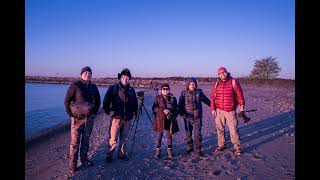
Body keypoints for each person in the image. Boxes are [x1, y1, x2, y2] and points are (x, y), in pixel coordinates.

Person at [64, 66, 101, 175]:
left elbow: (98, 101)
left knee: (86, 140)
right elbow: (67, 101)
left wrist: (94, 113)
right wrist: (70, 114)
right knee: (75, 143)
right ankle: (72, 165)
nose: (87, 75)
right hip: (77, 119)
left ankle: (84, 160)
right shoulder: (75, 85)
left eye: (89, 73)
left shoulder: (94, 87)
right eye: (85, 73)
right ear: (81, 74)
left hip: (89, 119)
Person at [103, 68, 138, 162]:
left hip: (127, 119)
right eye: (123, 77)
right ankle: (109, 155)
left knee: (124, 138)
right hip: (116, 118)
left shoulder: (131, 90)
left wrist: (135, 112)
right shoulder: (113, 88)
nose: (125, 79)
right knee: (113, 138)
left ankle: (121, 154)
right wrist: (108, 111)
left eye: (127, 77)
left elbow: (135, 103)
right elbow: (106, 101)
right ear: (120, 78)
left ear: (129, 79)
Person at [210, 67, 245, 156]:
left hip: (230, 110)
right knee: (220, 129)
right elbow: (213, 97)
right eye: (220, 74)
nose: (222, 75)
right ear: (218, 75)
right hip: (219, 110)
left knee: (233, 129)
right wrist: (213, 109)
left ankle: (237, 147)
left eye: (223, 73)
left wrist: (242, 105)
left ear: (226, 72)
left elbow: (239, 94)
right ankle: (221, 145)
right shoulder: (216, 83)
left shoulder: (233, 82)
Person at [178, 78, 211, 157]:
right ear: (187, 85)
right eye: (190, 84)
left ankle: (198, 150)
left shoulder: (199, 93)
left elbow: (207, 101)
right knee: (188, 133)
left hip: (197, 117)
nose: (192, 85)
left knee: (197, 134)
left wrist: (214, 106)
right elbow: (180, 105)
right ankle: (189, 147)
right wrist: (182, 113)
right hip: (187, 117)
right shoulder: (183, 93)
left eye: (193, 84)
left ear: (195, 85)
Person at [152, 83, 179, 159]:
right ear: (161, 90)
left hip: (169, 120)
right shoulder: (157, 98)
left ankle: (169, 151)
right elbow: (154, 108)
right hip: (160, 120)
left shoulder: (173, 98)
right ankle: (158, 151)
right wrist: (163, 110)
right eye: (164, 89)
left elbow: (177, 109)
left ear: (169, 90)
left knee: (169, 136)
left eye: (167, 89)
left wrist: (173, 114)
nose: (165, 90)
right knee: (159, 136)